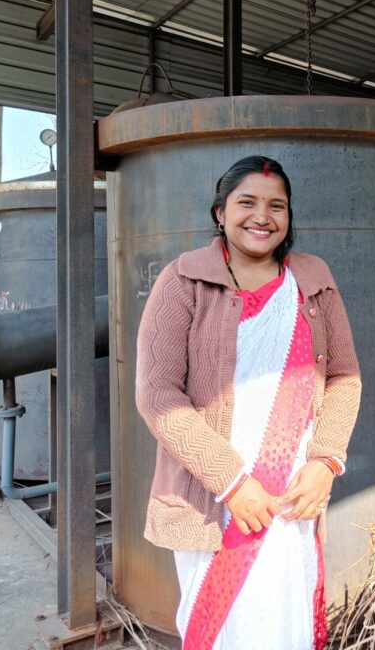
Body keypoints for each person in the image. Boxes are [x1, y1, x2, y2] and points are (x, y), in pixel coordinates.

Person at [135, 156, 361, 650]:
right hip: (218, 500)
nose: (262, 216)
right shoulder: (184, 280)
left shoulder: (312, 279)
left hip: (292, 497)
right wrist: (233, 483)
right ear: (220, 212)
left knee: (287, 619)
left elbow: (344, 375)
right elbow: (157, 393)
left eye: (276, 206)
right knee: (224, 628)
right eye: (247, 203)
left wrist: (325, 460)